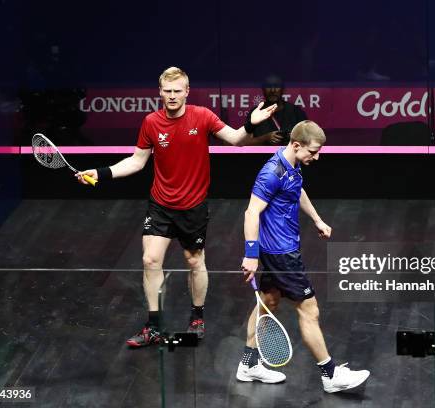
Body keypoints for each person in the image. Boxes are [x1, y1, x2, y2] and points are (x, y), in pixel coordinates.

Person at [76, 66, 276, 347]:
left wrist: (251, 123)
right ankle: (153, 326)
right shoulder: (151, 122)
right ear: (160, 92)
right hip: (160, 203)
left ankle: (196, 317)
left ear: (186, 92)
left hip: (193, 206)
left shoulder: (202, 116)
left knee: (194, 261)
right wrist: (101, 172)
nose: (172, 96)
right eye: (167, 91)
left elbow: (236, 140)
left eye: (177, 91)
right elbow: (137, 161)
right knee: (150, 260)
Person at [237, 120, 371, 393]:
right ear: (296, 145)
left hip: (282, 249)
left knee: (268, 303)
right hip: (281, 253)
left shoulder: (292, 166)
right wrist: (251, 255)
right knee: (310, 310)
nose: (317, 156)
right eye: (313, 151)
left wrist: (317, 220)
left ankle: (248, 364)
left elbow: (296, 191)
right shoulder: (271, 172)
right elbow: (251, 212)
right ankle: (330, 374)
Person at [243, 75, 307, 146]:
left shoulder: (296, 112)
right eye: (268, 86)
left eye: (276, 86)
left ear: (283, 89)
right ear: (263, 89)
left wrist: (293, 138)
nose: (273, 90)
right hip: (262, 156)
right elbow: (245, 143)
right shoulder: (256, 113)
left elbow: (308, 139)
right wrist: (265, 138)